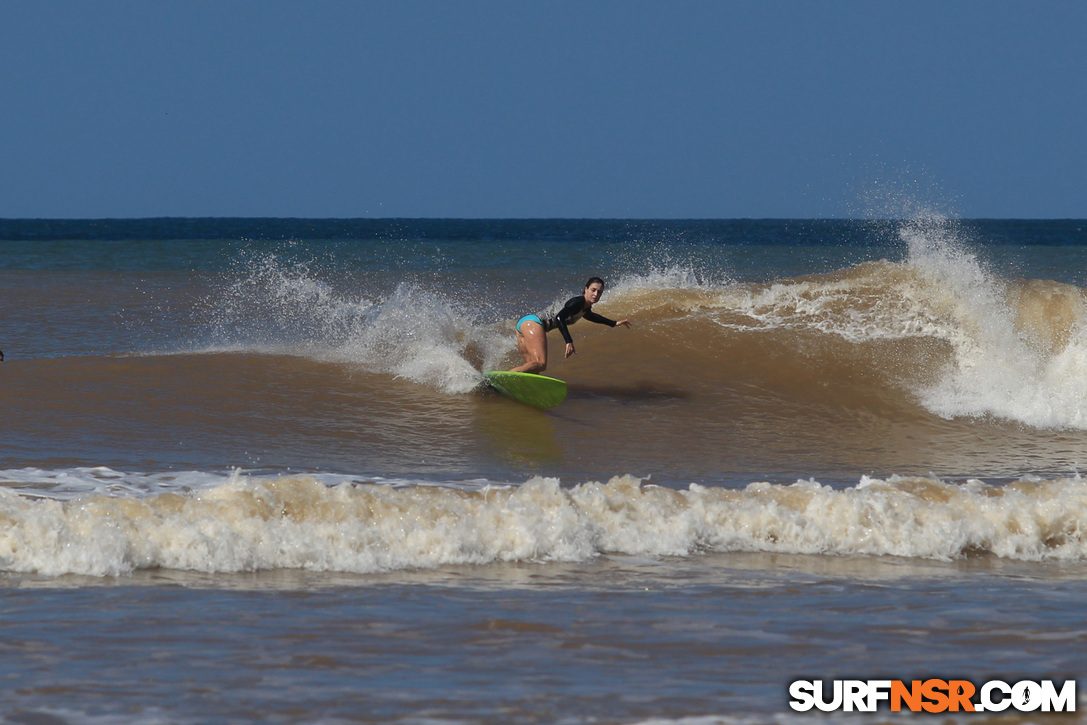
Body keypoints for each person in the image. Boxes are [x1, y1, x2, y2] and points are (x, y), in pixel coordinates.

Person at [511, 277, 631, 374]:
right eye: (593, 290)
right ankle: (501, 377)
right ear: (586, 289)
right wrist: (569, 341)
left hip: (525, 324)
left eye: (599, 292)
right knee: (541, 364)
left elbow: (591, 316)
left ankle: (507, 385)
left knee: (533, 369)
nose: (596, 294)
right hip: (534, 323)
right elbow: (559, 318)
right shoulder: (577, 302)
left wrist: (614, 323)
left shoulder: (584, 308)